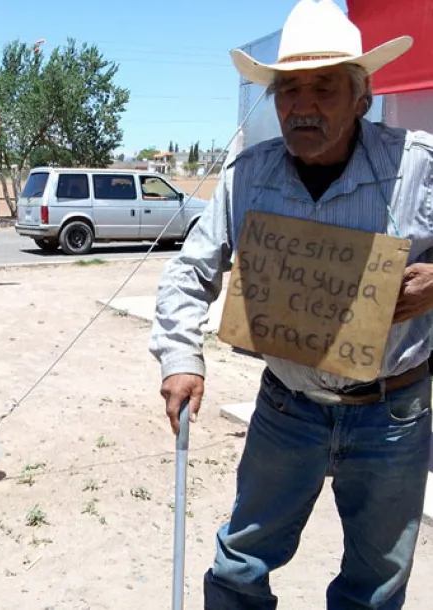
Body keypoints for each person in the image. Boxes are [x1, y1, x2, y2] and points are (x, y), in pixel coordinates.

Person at [150, 0, 433, 608]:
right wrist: (180, 356)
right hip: (288, 407)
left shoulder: (418, 166)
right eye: (288, 89)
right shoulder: (247, 176)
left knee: (375, 585)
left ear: (362, 95)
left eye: (323, 87)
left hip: (392, 413)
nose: (302, 105)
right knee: (241, 564)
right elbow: (189, 271)